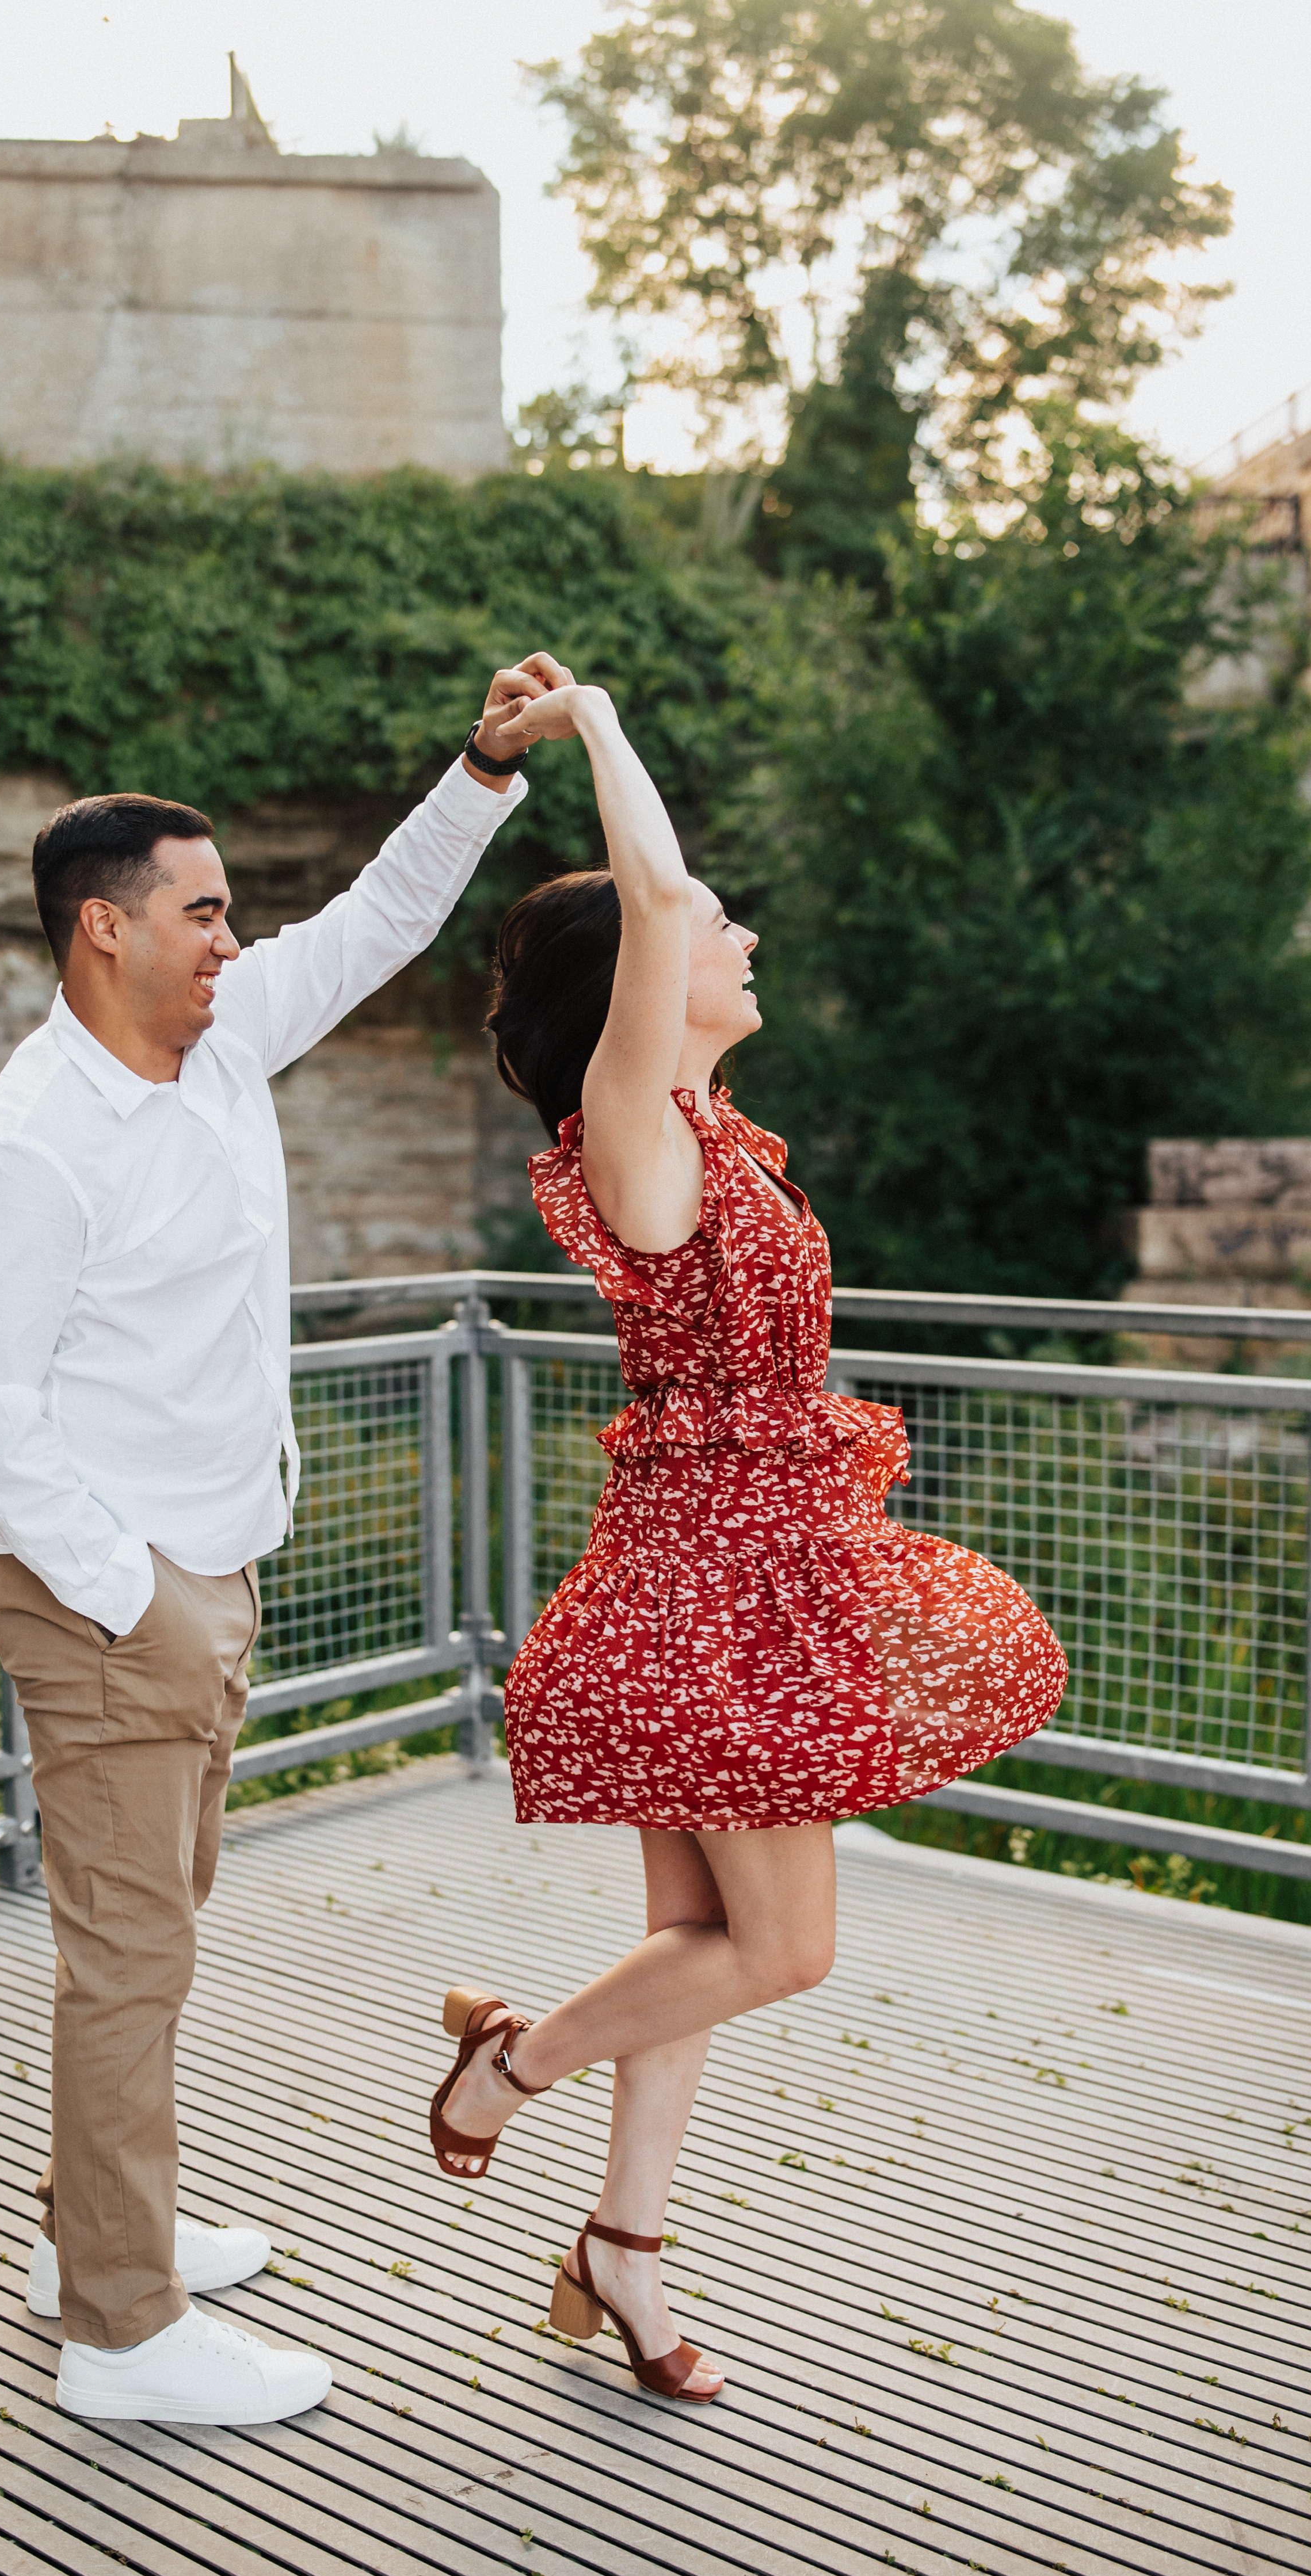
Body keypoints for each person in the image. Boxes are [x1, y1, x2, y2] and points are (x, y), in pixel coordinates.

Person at [0, 655, 566, 2426]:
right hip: (112, 1598)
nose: (233, 938)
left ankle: (86, 2235)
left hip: (202, 1569)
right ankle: (122, 2335)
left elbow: (378, 922)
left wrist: (482, 768)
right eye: (202, 913)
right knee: (130, 1960)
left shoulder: (216, 1045)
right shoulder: (38, 1146)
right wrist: (133, 1597)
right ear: (103, 931)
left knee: (151, 1936)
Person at [426, 680, 1069, 2403]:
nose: (741, 932)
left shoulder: (722, 1142)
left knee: (695, 1949)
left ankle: (623, 2257)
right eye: (718, 923)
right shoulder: (635, 1138)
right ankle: (512, 2063)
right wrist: (596, 723)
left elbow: (669, 916)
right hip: (708, 1593)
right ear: (644, 978)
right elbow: (650, 891)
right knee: (785, 1949)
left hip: (747, 1572)